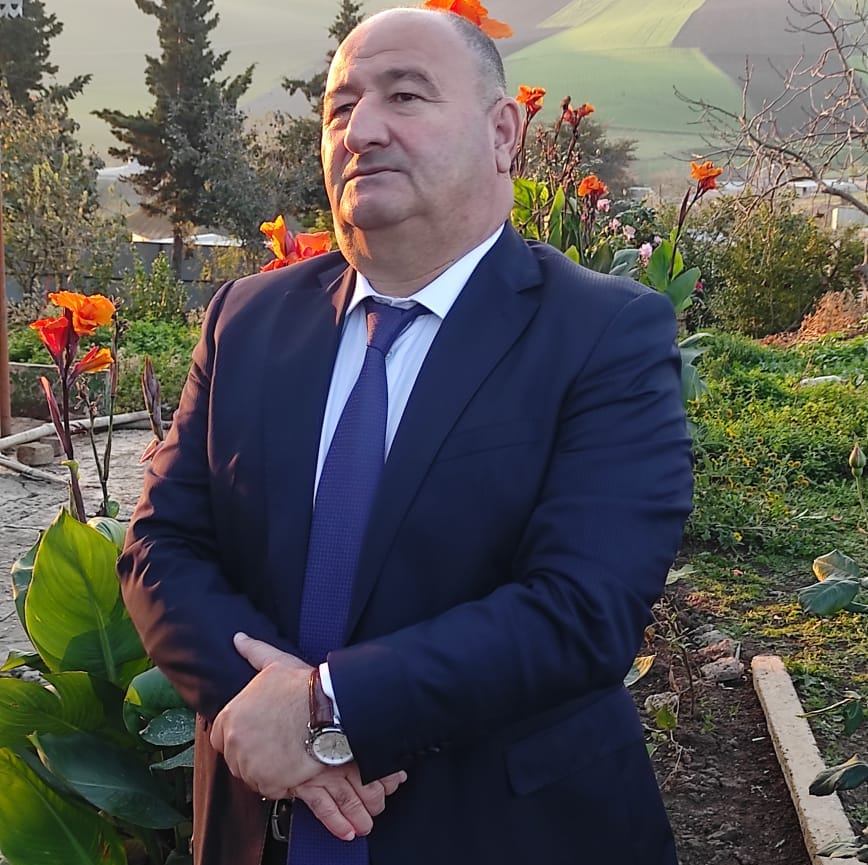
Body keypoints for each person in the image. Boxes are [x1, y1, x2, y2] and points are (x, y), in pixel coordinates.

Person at [117, 7, 694, 865]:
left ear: (503, 135)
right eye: (340, 108)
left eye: (406, 96)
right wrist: (266, 711)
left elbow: (582, 608)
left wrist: (327, 707)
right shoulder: (247, 320)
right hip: (257, 832)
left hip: (501, 833)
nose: (362, 130)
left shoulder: (604, 334)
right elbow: (160, 545)